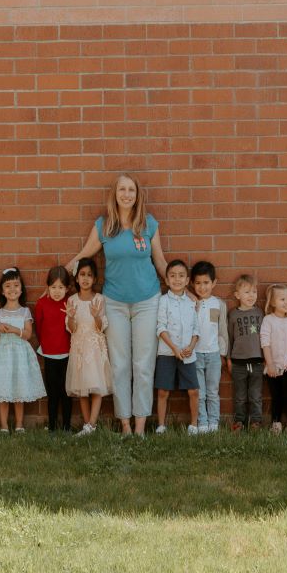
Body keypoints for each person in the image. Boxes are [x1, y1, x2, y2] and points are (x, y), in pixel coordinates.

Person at [67, 174, 167, 437]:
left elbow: (160, 261)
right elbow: (85, 253)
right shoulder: (104, 225)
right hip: (114, 302)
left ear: (137, 194)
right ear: (115, 194)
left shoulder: (148, 224)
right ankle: (125, 425)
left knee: (143, 365)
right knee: (120, 364)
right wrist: (60, 274)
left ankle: (141, 426)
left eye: (131, 189)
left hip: (147, 300)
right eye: (122, 189)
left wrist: (182, 287)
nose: (126, 194)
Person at [0, 267, 46, 432]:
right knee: (3, 391)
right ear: (2, 291)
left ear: (21, 289)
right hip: (3, 355)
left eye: (16, 285)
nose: (12, 289)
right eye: (8, 286)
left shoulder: (25, 312)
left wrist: (13, 329)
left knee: (19, 390)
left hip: (20, 355)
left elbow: (28, 335)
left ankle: (19, 424)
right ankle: (3, 425)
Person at [64, 258, 113, 437]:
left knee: (96, 386)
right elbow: (72, 328)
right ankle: (87, 425)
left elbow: (101, 327)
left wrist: (96, 316)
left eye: (89, 275)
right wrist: (70, 317)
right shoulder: (71, 300)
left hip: (94, 349)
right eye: (82, 275)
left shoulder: (100, 299)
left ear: (94, 279)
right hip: (79, 348)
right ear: (76, 278)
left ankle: (92, 424)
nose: (85, 279)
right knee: (81, 388)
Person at [154, 260, 200, 434]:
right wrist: (174, 349)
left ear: (187, 281)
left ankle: (194, 425)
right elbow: (161, 328)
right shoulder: (163, 301)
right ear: (166, 280)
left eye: (181, 276)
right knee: (163, 391)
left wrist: (191, 346)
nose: (177, 279)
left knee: (193, 390)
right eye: (172, 276)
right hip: (167, 352)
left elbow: (196, 329)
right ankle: (161, 426)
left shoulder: (191, 302)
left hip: (188, 353)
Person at [190, 260, 228, 433]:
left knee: (213, 391)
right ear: (192, 284)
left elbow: (222, 331)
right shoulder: (190, 303)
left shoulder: (219, 304)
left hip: (213, 355)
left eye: (206, 283)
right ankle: (202, 422)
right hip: (195, 354)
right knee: (200, 392)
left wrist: (223, 353)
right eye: (198, 283)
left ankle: (214, 422)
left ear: (214, 283)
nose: (202, 287)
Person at [34, 266, 73, 432]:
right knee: (52, 393)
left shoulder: (70, 303)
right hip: (49, 354)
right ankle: (52, 427)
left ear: (67, 288)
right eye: (53, 287)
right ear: (47, 287)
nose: (57, 291)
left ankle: (66, 426)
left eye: (61, 287)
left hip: (67, 353)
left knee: (66, 392)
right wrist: (46, 343)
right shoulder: (42, 303)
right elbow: (38, 325)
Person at [227, 274, 264, 432]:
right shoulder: (233, 315)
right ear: (237, 295)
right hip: (238, 363)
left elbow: (265, 338)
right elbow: (229, 337)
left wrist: (266, 359)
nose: (251, 295)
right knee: (240, 396)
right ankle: (239, 422)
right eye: (247, 292)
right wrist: (229, 359)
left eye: (254, 291)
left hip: (257, 362)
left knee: (255, 395)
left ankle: (256, 422)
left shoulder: (259, 313)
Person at [261, 283, 287, 434]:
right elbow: (265, 343)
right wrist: (270, 364)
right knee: (276, 396)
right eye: (282, 299)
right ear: (273, 302)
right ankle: (276, 424)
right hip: (272, 367)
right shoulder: (268, 320)